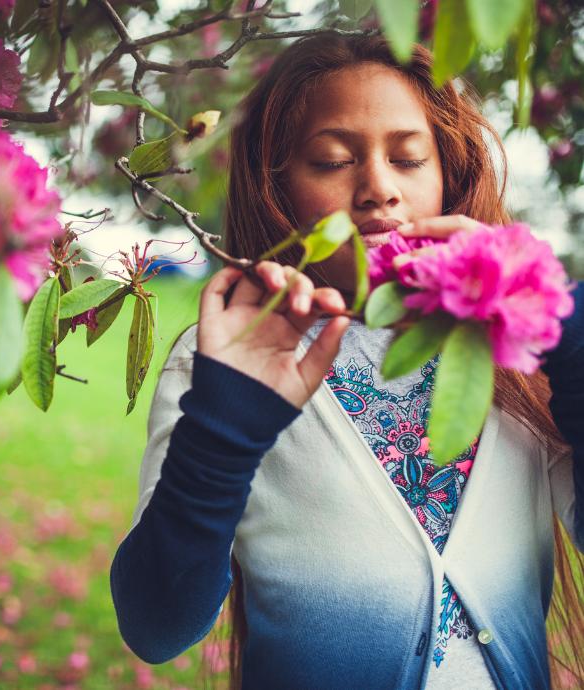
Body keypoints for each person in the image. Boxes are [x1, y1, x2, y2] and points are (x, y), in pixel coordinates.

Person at [109, 32, 584, 689]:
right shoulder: (224, 360)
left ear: (448, 176)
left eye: (410, 158)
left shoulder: (521, 348)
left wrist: (565, 334)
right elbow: (155, 627)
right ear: (277, 185)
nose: (379, 190)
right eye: (332, 161)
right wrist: (223, 434)